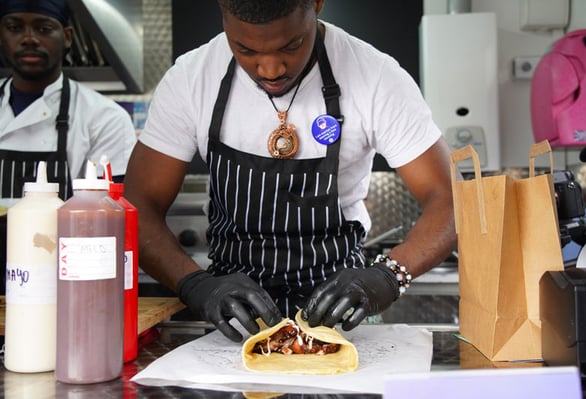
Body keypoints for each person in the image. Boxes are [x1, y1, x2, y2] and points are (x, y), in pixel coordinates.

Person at [124, 0, 459, 342]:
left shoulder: (375, 77)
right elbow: (138, 205)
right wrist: (195, 285)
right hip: (232, 322)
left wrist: (389, 276)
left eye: (291, 45)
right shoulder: (190, 79)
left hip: (341, 317)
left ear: (316, 5)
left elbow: (452, 198)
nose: (270, 69)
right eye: (245, 49)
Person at [0, 0, 136, 200]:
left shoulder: (105, 118)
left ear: (67, 37)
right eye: (14, 28)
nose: (29, 39)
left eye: (44, 29)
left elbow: (109, 213)